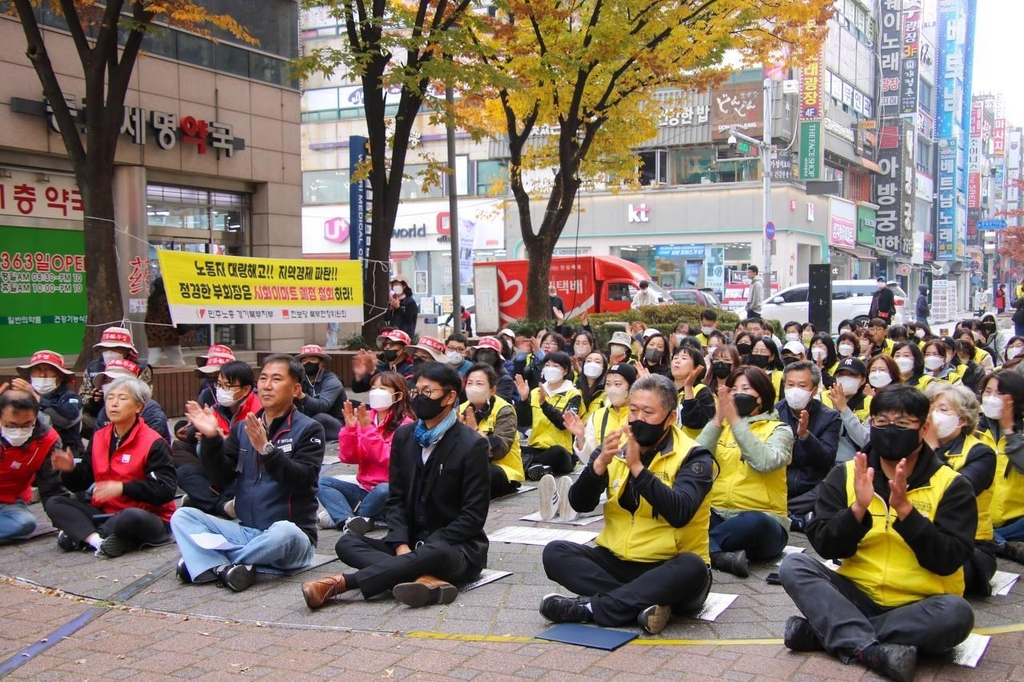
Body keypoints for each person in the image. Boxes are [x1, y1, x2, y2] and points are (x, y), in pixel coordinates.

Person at [779, 384, 977, 682]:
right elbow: (825, 545)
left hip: (921, 603)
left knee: (957, 615)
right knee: (794, 565)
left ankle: (826, 633)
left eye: (901, 423)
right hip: (857, 592)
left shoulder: (952, 485)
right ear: (871, 424)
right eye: (881, 422)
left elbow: (948, 559)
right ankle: (869, 649)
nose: (890, 430)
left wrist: (907, 514)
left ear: (923, 428)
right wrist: (858, 509)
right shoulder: (846, 474)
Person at [301, 363, 490, 610]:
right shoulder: (406, 435)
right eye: (416, 391)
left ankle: (341, 584)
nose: (419, 398)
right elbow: (396, 497)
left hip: (454, 547)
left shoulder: (471, 444)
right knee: (346, 543)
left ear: (450, 396)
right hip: (410, 543)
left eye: (428, 392)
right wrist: (401, 544)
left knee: (435, 553)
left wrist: (430, 546)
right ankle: (423, 579)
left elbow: (473, 517)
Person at [539, 374, 714, 635]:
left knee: (694, 568)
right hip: (618, 561)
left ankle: (590, 608)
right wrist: (597, 467)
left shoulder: (695, 456)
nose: (638, 419)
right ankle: (639, 603)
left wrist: (638, 470)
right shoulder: (615, 446)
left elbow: (680, 512)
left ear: (670, 418)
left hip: (668, 565)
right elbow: (579, 503)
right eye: (633, 410)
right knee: (555, 552)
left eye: (648, 412)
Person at [171, 355, 325, 592]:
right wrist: (211, 440)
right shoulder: (242, 428)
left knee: (284, 531)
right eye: (263, 378)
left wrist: (267, 450)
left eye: (276, 379)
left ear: (295, 389)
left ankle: (210, 562)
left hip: (293, 538)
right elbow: (222, 478)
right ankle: (228, 568)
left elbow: (304, 480)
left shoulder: (309, 428)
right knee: (183, 517)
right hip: (248, 532)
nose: (266, 385)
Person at [45, 376, 177, 557]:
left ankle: (81, 534)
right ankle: (97, 541)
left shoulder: (153, 442)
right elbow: (81, 483)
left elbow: (165, 490)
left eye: (122, 398)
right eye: (110, 398)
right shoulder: (100, 437)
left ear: (138, 406)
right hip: (105, 511)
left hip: (147, 516)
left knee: (131, 517)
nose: (114, 403)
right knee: (54, 502)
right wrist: (70, 470)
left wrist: (122, 488)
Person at [696, 366, 794, 577]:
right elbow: (694, 459)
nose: (739, 393)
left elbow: (764, 462)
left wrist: (735, 422)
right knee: (689, 511)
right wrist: (718, 418)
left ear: (762, 397)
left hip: (763, 520)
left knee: (754, 522)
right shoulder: (721, 427)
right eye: (735, 389)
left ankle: (696, 549)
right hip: (719, 514)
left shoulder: (780, 430)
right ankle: (719, 556)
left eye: (746, 388)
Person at [925, 383, 998, 596]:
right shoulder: (912, 445)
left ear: (963, 419)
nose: (933, 415)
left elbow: (955, 492)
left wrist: (931, 450)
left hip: (970, 547)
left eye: (943, 409)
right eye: (929, 408)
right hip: (921, 534)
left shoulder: (981, 454)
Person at [318, 372, 413, 533]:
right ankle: (348, 521)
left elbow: (388, 459)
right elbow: (349, 457)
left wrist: (367, 429)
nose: (376, 392)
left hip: (390, 494)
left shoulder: (406, 424)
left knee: (384, 488)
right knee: (321, 482)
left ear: (398, 395)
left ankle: (356, 516)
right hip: (364, 489)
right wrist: (349, 429)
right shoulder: (366, 417)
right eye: (374, 387)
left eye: (383, 388)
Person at [176, 361, 261, 517]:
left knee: (241, 484)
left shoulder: (259, 409)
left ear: (246, 389)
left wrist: (223, 439)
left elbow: (251, 449)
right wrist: (206, 438)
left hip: (243, 469)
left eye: (228, 386)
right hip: (219, 466)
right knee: (184, 472)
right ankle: (221, 505)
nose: (221, 390)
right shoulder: (215, 408)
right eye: (219, 385)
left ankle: (203, 498)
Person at [777, 361, 841, 531]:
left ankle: (784, 512)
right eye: (790, 385)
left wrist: (805, 436)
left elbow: (827, 458)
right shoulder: (774, 413)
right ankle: (794, 515)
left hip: (812, 484)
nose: (795, 390)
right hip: (780, 483)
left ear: (813, 390)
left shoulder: (830, 417)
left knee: (831, 486)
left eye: (802, 385)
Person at [0, 388, 65, 542]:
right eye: (11, 425)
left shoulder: (49, 441)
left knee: (25, 523)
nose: (19, 431)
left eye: (27, 424)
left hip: (9, 503)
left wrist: (66, 524)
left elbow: (51, 488)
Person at [460, 364, 524, 499]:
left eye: (479, 384)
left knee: (485, 473)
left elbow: (500, 450)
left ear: (492, 390)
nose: (473, 388)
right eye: (470, 383)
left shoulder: (504, 410)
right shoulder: (460, 410)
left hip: (503, 469)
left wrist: (475, 432)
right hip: (471, 465)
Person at [515, 351, 582, 480]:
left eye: (556, 366)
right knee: (515, 449)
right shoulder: (535, 392)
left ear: (565, 370)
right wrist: (523, 400)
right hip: (536, 448)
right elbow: (524, 422)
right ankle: (538, 467)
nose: (550, 368)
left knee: (558, 453)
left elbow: (563, 424)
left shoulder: (573, 394)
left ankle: (531, 466)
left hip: (560, 450)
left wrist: (544, 404)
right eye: (547, 365)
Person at [980, 371, 1024, 563]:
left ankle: (994, 541)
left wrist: (1009, 431)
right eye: (987, 391)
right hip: (981, 518)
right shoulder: (972, 428)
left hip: (1018, 520)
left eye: (999, 394)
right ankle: (1002, 545)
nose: (991, 398)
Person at [79, 326, 152, 438]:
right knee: (77, 418)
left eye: (115, 348)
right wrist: (94, 400)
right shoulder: (93, 367)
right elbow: (82, 397)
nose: (109, 353)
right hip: (97, 416)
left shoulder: (140, 369)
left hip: (130, 418)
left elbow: (145, 398)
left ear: (127, 350)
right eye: (105, 348)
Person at [13, 350, 82, 458]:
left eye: (49, 370)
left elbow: (67, 420)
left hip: (64, 455)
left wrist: (37, 399)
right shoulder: (21, 397)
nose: (42, 375)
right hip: (30, 455)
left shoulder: (71, 397)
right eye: (37, 370)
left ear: (61, 376)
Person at [93, 359, 171, 441]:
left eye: (113, 380)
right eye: (105, 380)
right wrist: (93, 403)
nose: (108, 384)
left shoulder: (151, 411)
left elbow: (151, 446)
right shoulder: (105, 410)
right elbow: (93, 448)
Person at [822, 358, 872, 465]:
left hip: (852, 463)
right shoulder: (822, 397)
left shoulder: (871, 403)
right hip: (824, 460)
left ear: (862, 380)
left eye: (852, 375)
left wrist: (844, 409)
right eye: (842, 374)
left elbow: (866, 441)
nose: (846, 378)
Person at [295, 345, 348, 441]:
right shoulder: (300, 380)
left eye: (313, 359)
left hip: (334, 423)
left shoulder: (332, 381)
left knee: (320, 418)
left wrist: (301, 396)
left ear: (321, 362)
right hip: (308, 421)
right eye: (304, 360)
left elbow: (323, 406)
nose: (308, 363)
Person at [352, 329, 416, 392]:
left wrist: (374, 371)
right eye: (385, 344)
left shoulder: (410, 369)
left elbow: (398, 391)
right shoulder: (380, 367)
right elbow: (357, 389)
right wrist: (359, 376)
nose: (387, 347)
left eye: (392, 344)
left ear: (404, 349)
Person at [672, 346, 714, 440]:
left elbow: (695, 423)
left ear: (696, 367)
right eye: (675, 358)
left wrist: (688, 387)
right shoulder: (665, 389)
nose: (677, 361)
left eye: (683, 358)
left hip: (690, 450)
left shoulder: (702, 391)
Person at [145, 277, 186, 366]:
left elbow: (148, 318)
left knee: (152, 362)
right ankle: (182, 377)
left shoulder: (151, 299)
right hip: (169, 335)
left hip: (154, 336)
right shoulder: (169, 298)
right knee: (177, 361)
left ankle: (147, 377)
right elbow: (172, 316)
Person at [472, 337, 519, 406]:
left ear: (496, 357)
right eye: (482, 351)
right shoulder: (471, 374)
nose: (485, 355)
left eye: (489, 352)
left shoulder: (504, 379)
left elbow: (496, 404)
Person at [575, 351, 607, 421]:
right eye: (589, 361)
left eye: (597, 362)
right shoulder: (574, 388)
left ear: (604, 368)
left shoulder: (606, 391)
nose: (592, 364)